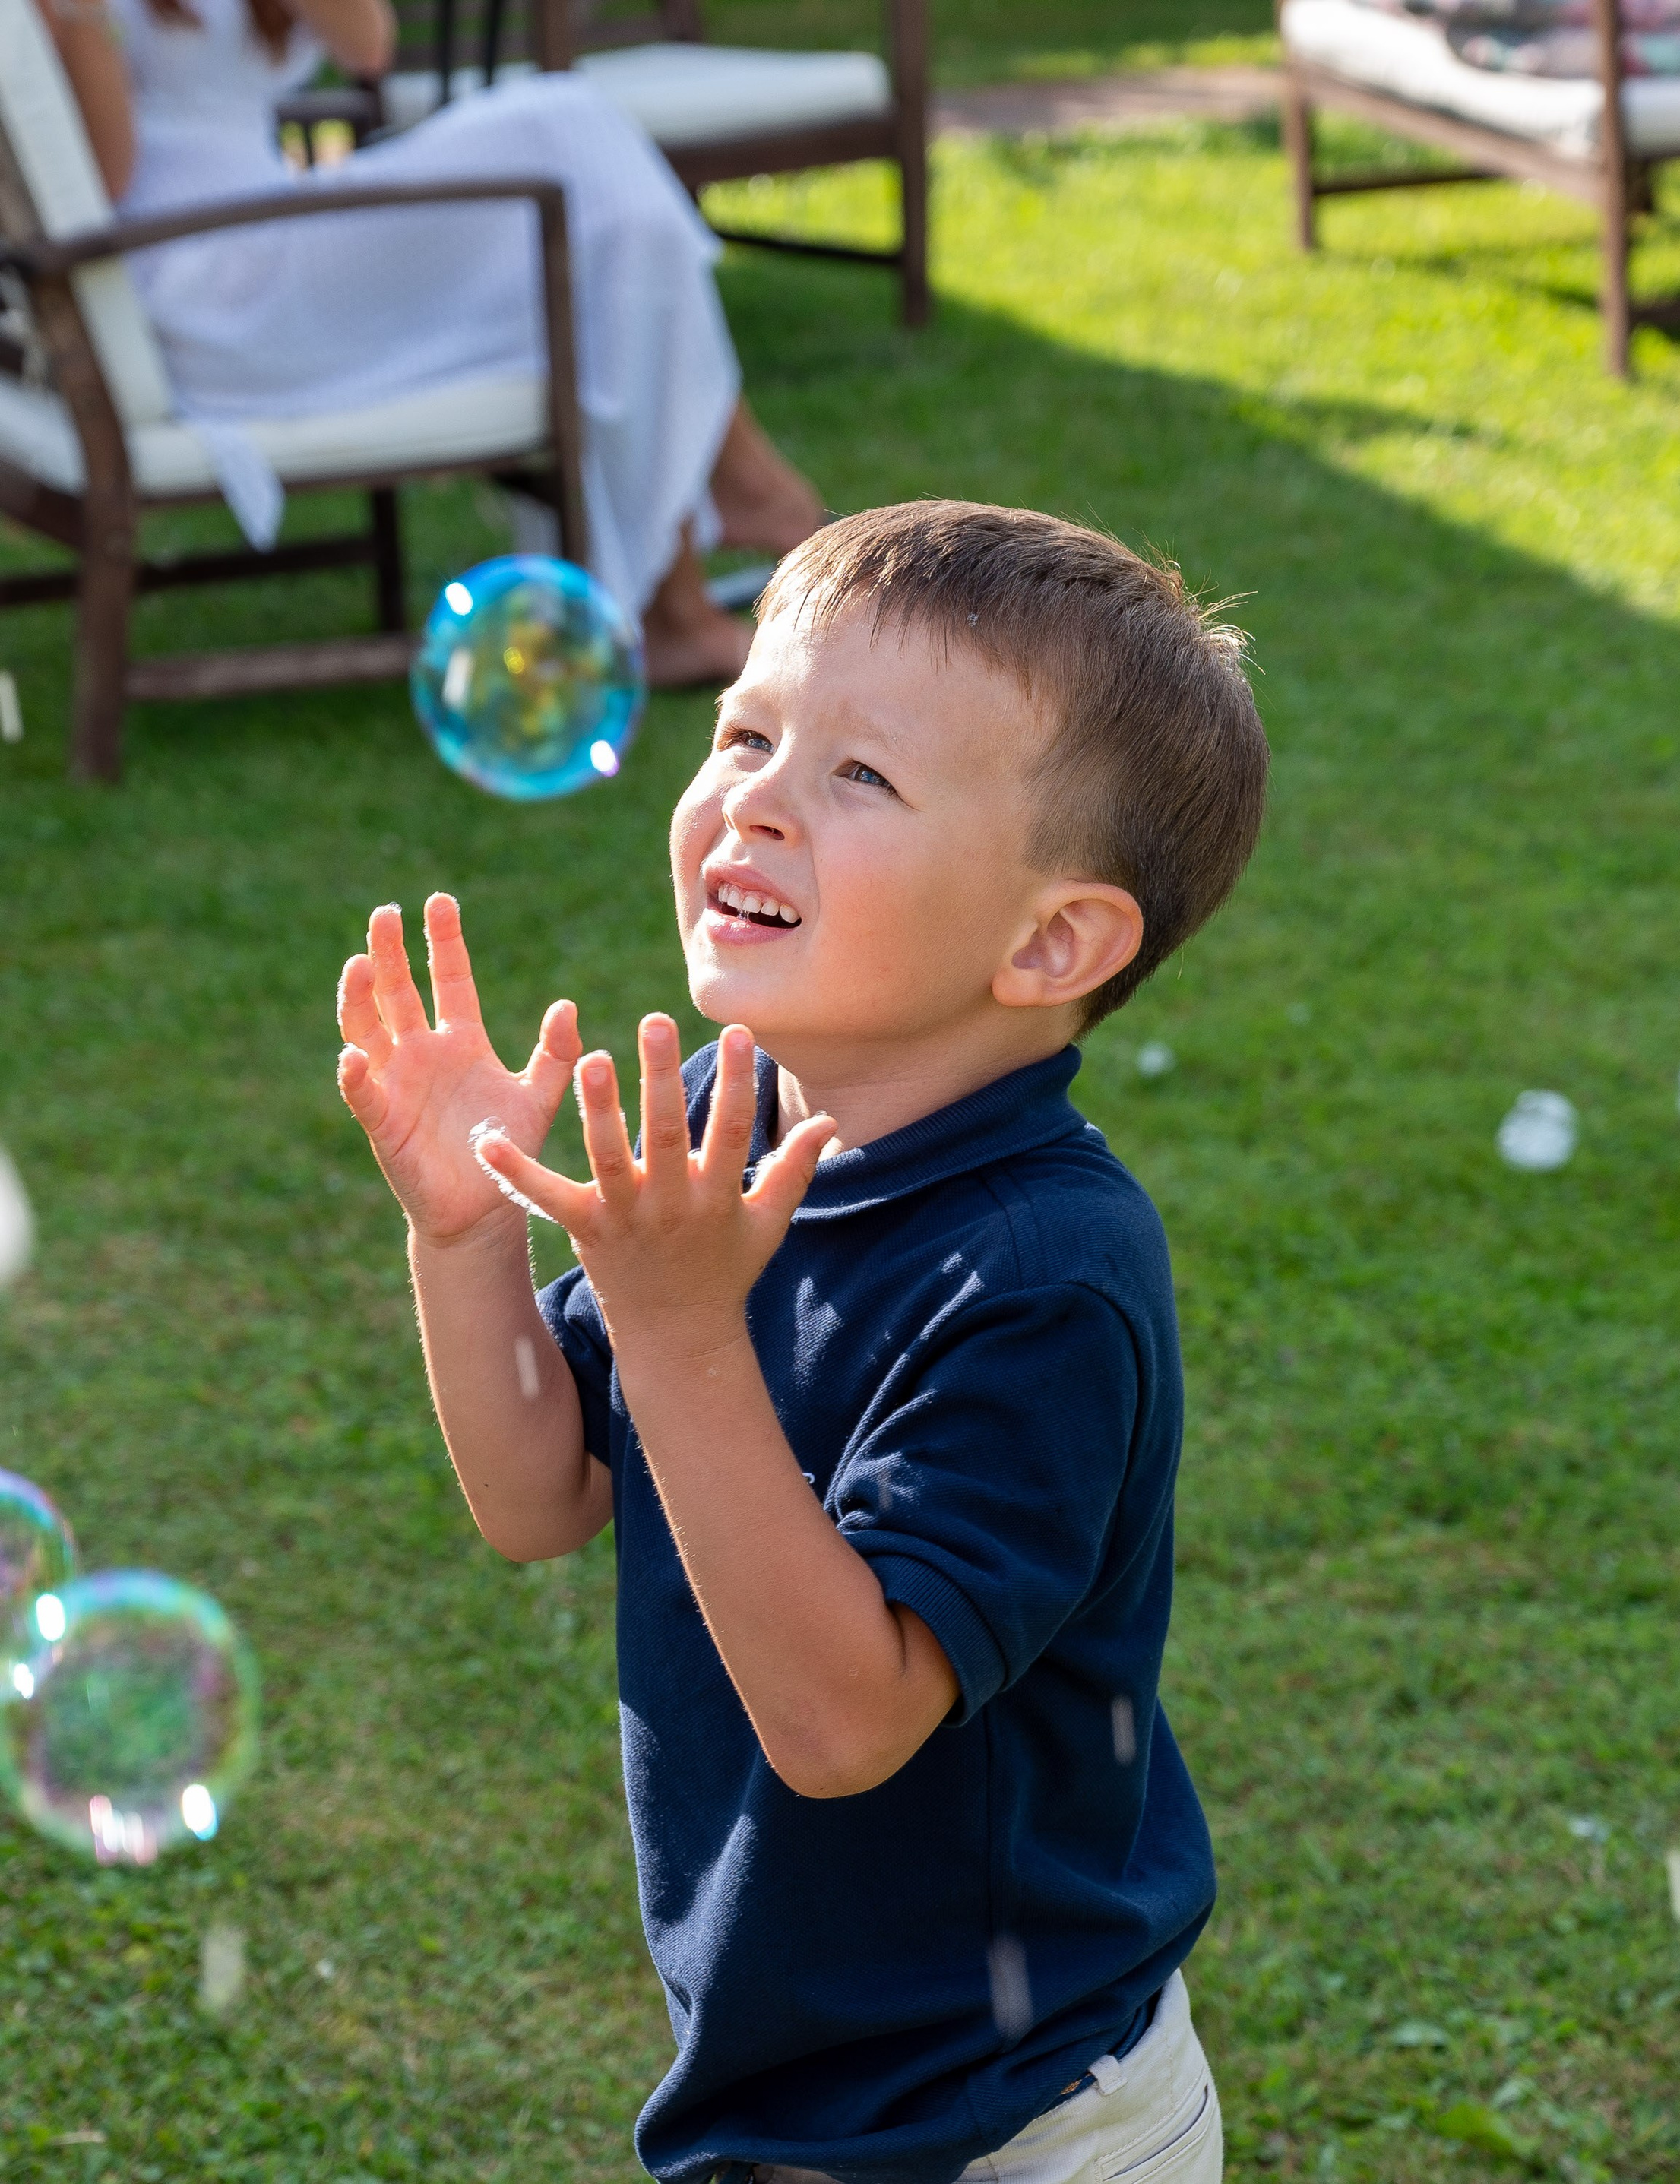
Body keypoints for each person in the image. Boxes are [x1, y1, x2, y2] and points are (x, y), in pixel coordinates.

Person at [334, 501, 1270, 2184]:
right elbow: (541, 1494)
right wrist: (465, 1233)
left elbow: (846, 1725)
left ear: (1049, 940)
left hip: (1010, 2114)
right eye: (747, 732)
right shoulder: (731, 1113)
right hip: (797, 2078)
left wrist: (680, 1332)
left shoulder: (1043, 1276)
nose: (756, 799)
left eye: (860, 775)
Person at [35, 0, 824, 685]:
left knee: (578, 158)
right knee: (560, 127)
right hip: (205, 282)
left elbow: (367, 44)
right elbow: (109, 177)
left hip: (273, 232)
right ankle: (724, 517)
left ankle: (687, 582)